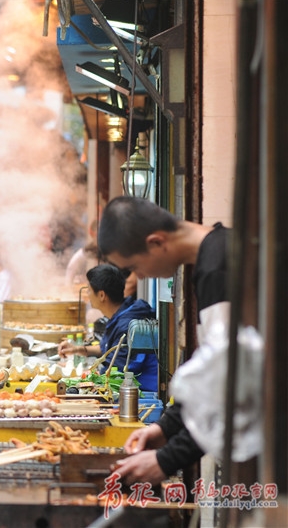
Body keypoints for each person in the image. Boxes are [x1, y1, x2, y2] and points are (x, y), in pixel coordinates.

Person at [97, 196, 229, 486]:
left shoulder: (218, 268)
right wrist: (165, 428)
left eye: (133, 266)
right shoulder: (214, 255)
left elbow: (232, 380)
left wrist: (167, 459)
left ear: (156, 242)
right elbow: (213, 368)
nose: (137, 276)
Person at [58, 264, 159, 392]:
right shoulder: (123, 312)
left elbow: (113, 373)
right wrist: (78, 349)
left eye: (89, 290)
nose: (87, 295)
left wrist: (76, 376)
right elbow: (109, 349)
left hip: (142, 394)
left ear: (101, 295)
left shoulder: (126, 325)